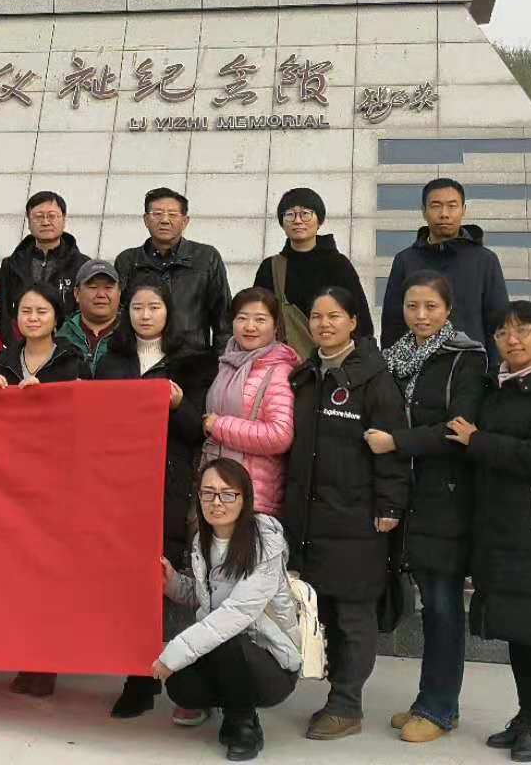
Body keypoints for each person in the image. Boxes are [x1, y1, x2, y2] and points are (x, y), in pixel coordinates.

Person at [446, 301, 531, 763]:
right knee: (518, 626)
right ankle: (526, 715)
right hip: (502, 526)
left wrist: (478, 441)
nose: (513, 339)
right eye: (503, 332)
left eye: (523, 330)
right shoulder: (497, 386)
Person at [364, 271, 487, 743]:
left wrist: (397, 441)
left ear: (448, 310)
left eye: (431, 307)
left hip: (445, 496)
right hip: (404, 492)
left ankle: (440, 708)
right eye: (412, 306)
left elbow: (459, 429)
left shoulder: (466, 358)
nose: (420, 315)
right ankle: (425, 701)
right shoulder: (392, 358)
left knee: (441, 604)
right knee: (424, 599)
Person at [283, 286, 409, 740]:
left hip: (357, 517)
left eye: (334, 316)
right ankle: (337, 693)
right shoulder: (304, 375)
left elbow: (392, 449)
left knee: (354, 614)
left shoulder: (374, 379)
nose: (324, 324)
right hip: (311, 518)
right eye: (317, 316)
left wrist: (389, 505)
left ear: (354, 322)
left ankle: (347, 704)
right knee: (327, 610)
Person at [95, 276, 216, 722]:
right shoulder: (112, 361)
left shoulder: (193, 362)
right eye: (137, 308)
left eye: (154, 307)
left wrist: (178, 405)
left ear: (169, 312)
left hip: (169, 482)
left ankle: (168, 677)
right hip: (119, 485)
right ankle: (136, 677)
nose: (145, 315)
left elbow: (197, 429)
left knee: (161, 577)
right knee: (126, 580)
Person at [156, 458, 302, 762]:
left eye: (227, 494)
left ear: (245, 498)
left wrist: (172, 654)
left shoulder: (265, 543)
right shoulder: (203, 540)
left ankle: (244, 724)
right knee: (181, 686)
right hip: (227, 653)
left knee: (226, 640)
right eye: (208, 493)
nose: (216, 502)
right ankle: (231, 705)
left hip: (270, 663)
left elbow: (234, 614)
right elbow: (205, 597)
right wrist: (172, 583)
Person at [0, 282, 88, 699]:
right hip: (10, 482)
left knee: (48, 574)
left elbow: (85, 414)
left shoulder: (72, 360)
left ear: (56, 318)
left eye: (41, 311)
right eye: (26, 311)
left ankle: (46, 661)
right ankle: (23, 656)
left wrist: (47, 398)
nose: (33, 318)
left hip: (55, 482)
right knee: (16, 574)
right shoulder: (3, 361)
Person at [380, 179, 509, 357]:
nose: (444, 214)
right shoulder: (405, 260)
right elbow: (392, 323)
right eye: (436, 206)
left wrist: (494, 368)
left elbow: (498, 322)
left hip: (470, 363)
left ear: (463, 210)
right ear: (424, 211)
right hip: (416, 365)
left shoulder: (485, 260)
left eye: (452, 206)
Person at [202, 288, 300, 517]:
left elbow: (280, 435)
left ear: (275, 327)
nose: (250, 326)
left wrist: (219, 426)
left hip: (254, 497)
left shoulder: (279, 370)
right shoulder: (227, 363)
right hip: (216, 490)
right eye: (242, 318)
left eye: (260, 320)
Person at [253, 188, 372, 357]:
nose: (298, 220)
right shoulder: (271, 267)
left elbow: (361, 319)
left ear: (319, 220)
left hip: (334, 361)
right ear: (282, 222)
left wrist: (360, 362)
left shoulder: (338, 264)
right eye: (290, 215)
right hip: (284, 363)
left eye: (305, 214)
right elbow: (258, 316)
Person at [115, 187, 231, 353]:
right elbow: (118, 314)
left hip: (191, 358)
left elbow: (223, 319)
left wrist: (221, 361)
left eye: (172, 214)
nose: (164, 220)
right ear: (146, 220)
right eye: (157, 213)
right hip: (140, 357)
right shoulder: (128, 260)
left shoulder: (206, 258)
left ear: (185, 221)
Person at [0, 190, 90, 319]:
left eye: (52, 216)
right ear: (28, 222)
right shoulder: (11, 265)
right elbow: (4, 310)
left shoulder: (83, 265)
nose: (45, 222)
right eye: (39, 217)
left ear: (64, 219)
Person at [58, 259, 122, 373]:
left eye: (108, 287)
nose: (101, 295)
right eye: (93, 287)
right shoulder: (60, 336)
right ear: (77, 293)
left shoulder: (133, 335)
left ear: (119, 293)